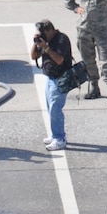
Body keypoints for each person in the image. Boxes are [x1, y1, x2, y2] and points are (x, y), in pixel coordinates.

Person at [31, 19, 74, 152]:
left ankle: (59, 139)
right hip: (50, 78)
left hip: (61, 78)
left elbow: (59, 60)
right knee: (51, 108)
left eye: (44, 33)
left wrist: (46, 47)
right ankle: (55, 135)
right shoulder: (44, 40)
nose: (42, 36)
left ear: (50, 30)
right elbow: (33, 56)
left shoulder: (62, 39)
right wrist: (36, 43)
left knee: (55, 109)